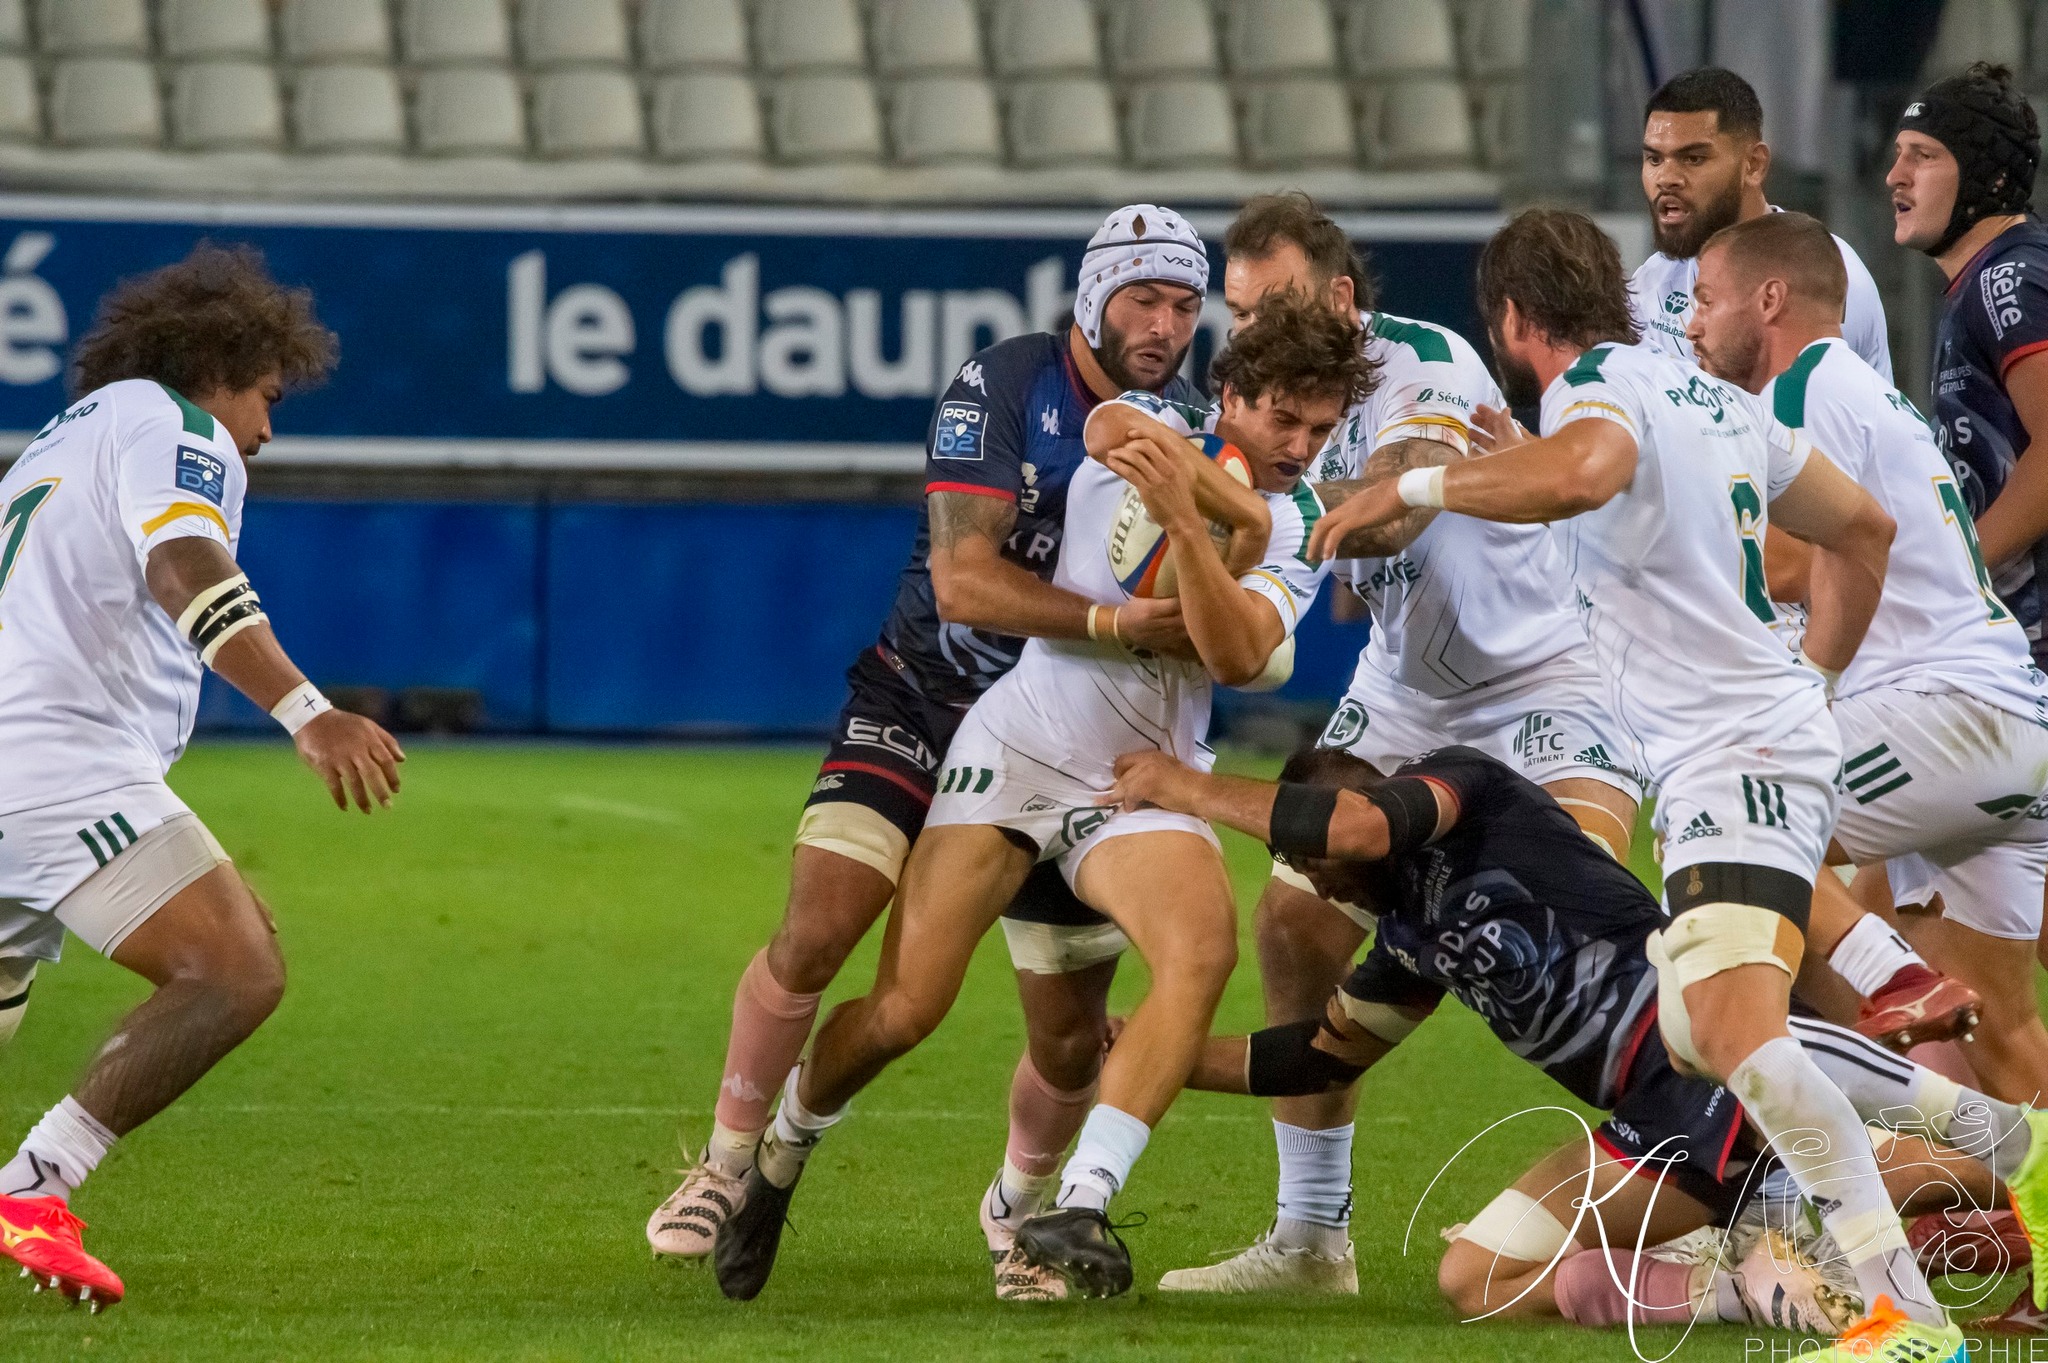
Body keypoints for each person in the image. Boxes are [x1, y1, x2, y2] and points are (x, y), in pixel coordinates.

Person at [1310, 207, 1962, 1356]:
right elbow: (1863, 529)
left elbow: (1588, 468)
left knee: (1735, 1037)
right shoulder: (1707, 399)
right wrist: (1813, 673)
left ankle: (1909, 1297)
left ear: (1512, 321)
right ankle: (1959, 1145)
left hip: (1729, 757)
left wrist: (1409, 494)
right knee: (1702, 1031)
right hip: (1752, 742)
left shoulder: (1592, 399)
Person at [710, 294, 1372, 1304]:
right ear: (1229, 394)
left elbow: (1237, 653)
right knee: (904, 1008)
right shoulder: (1163, 417)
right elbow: (1106, 424)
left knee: (1197, 951)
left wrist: (1215, 523)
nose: (1298, 446)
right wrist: (1216, 501)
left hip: (1138, 776)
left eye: (1320, 430)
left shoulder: (1299, 517)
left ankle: (1077, 1201)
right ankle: (784, 1146)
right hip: (1018, 745)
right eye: (1282, 419)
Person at [645, 206, 1207, 1284]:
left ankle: (1021, 1214)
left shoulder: (1184, 424)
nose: (1164, 323)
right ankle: (725, 1162)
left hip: (1068, 743)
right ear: (1092, 298)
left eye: (1184, 304)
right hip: (923, 698)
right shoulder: (1002, 384)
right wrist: (1112, 622)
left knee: (1064, 1034)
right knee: (821, 930)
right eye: (1142, 298)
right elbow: (961, 582)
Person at [1109, 742, 2048, 1341]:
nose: (1324, 883)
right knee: (1474, 1279)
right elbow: (1316, 1057)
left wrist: (1182, 785)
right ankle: (1773, 1270)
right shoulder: (1406, 940)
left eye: (1313, 864)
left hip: (1707, 1044)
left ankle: (1822, 1269)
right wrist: (1155, 1056)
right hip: (1652, 1115)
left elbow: (1353, 823)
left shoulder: (1470, 792)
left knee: (1891, 1154)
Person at [1154, 191, 1644, 1297]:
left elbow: (1400, 506)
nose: (1245, 330)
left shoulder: (1420, 361)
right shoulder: (1271, 407)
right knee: (1290, 919)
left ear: (1337, 297)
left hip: (1549, 673)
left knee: (1577, 917)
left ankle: (1686, 1174)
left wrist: (1245, 507)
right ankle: (1309, 1238)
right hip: (1409, 691)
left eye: (1265, 300)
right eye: (1232, 312)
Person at [0, 244, 405, 1307]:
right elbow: (185, 565)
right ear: (221, 363)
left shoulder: (57, 443)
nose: (265, 433)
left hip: (25, 756)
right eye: (267, 397)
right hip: (57, 759)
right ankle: (37, 1184)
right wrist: (309, 714)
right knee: (235, 969)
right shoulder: (176, 426)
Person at [1688, 211, 2048, 1109]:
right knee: (2004, 1031)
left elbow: (1789, 561)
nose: (1691, 322)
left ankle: (1786, 1193)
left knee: (1734, 831)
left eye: (1703, 299)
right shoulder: (1861, 390)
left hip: (1946, 715)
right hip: (2003, 724)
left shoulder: (1798, 392)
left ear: (1768, 300)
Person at [1633, 67, 1890, 377]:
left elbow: (1812, 419)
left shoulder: (1827, 277)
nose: (1666, 179)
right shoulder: (1652, 280)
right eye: (1654, 159)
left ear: (1753, 165)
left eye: (1694, 159)